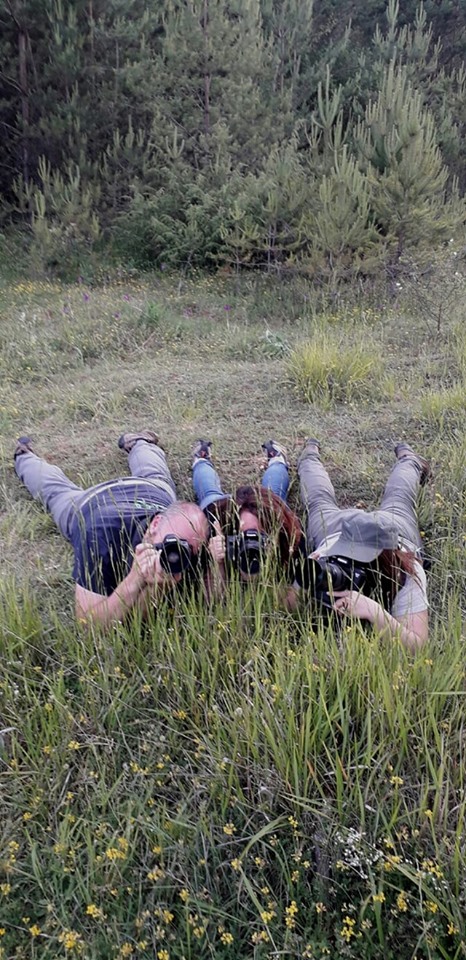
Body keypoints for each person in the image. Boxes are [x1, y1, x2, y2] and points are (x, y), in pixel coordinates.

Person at [14, 431, 209, 627]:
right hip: (93, 503)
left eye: (187, 549)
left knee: (154, 472)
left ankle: (140, 442)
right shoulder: (99, 533)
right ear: (155, 524)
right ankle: (24, 457)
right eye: (171, 542)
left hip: (153, 491)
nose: (175, 553)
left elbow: (138, 619)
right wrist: (134, 579)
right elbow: (88, 624)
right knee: (56, 492)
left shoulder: (188, 540)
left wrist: (158, 588)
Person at [293, 439, 430, 652]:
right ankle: (309, 456)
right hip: (339, 530)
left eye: (359, 558)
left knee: (400, 497)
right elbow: (288, 604)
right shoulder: (328, 555)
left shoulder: (407, 571)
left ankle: (410, 459)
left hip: (395, 528)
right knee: (318, 500)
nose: (349, 562)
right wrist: (308, 579)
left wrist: (375, 613)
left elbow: (417, 645)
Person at [191, 439, 305, 588]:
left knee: (274, 490)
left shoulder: (289, 535)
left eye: (259, 534)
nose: (251, 543)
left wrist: (274, 559)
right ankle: (201, 459)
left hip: (269, 507)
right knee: (209, 493)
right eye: (244, 534)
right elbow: (211, 597)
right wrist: (217, 564)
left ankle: (277, 459)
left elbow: (290, 596)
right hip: (222, 507)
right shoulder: (214, 524)